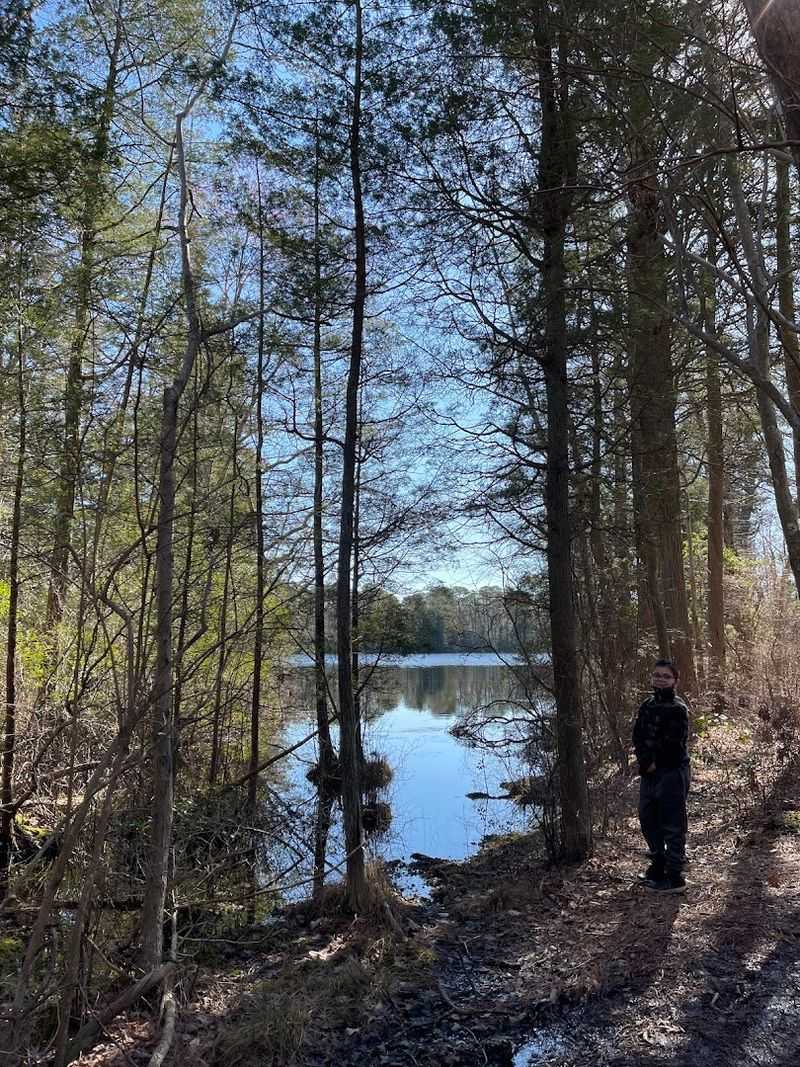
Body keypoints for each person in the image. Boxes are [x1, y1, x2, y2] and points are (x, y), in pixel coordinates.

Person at [632, 658, 690, 894]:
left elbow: (673, 744)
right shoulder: (647, 704)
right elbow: (638, 735)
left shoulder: (678, 708)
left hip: (672, 772)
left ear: (675, 680)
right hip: (649, 772)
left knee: (673, 823)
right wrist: (645, 761)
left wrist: (655, 764)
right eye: (656, 675)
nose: (660, 679)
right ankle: (658, 864)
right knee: (647, 819)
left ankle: (675, 877)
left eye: (665, 676)